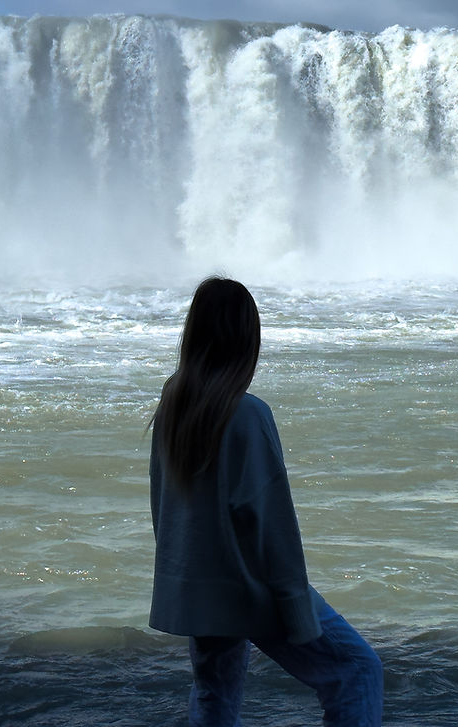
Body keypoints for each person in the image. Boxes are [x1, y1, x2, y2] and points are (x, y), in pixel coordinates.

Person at [148, 277, 383, 727]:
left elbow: (165, 503)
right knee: (358, 670)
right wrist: (296, 609)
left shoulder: (173, 403)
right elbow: (270, 524)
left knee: (215, 700)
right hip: (247, 588)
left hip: (199, 588)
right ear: (246, 340)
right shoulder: (247, 414)